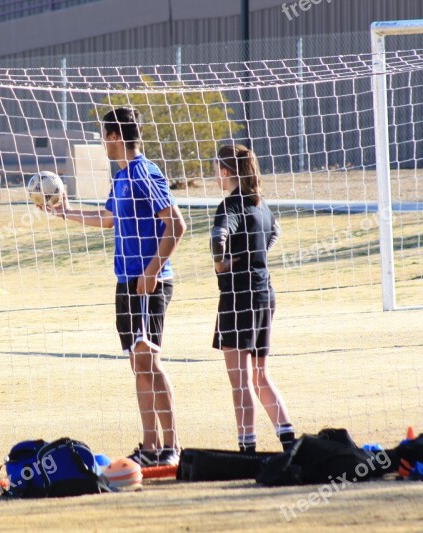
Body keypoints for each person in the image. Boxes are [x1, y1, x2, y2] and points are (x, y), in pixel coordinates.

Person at [43, 107, 187, 466]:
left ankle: (171, 447)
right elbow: (108, 219)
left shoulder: (144, 173)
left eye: (103, 135)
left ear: (116, 137)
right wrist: (66, 212)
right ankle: (151, 446)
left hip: (148, 282)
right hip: (126, 283)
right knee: (138, 365)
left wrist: (153, 270)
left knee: (149, 360)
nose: (101, 142)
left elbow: (177, 225)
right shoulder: (121, 177)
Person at [211, 144, 295, 454]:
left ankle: (247, 450)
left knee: (241, 381)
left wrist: (224, 263)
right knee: (260, 375)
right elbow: (275, 231)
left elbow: (217, 241)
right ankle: (290, 442)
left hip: (238, 297)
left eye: (215, 170)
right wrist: (256, 255)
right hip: (264, 295)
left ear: (225, 171)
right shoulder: (260, 205)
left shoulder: (230, 206)